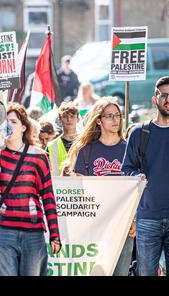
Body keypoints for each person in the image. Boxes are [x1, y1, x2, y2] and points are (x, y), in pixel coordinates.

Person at [0, 103, 61, 276]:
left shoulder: (39, 156)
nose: (8, 125)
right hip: (3, 230)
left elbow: (47, 196)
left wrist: (54, 233)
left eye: (13, 121)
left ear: (24, 127)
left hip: (32, 233)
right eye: (5, 122)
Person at [63, 97, 133, 276]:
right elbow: (79, 190)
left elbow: (139, 189)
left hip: (122, 224)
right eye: (109, 116)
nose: (115, 119)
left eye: (117, 115)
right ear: (99, 120)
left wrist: (135, 219)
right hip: (95, 225)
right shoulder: (86, 150)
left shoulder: (130, 149)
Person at [122, 76, 169, 276]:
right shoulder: (139, 133)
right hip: (147, 218)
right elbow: (126, 169)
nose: (168, 100)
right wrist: (137, 176)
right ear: (155, 99)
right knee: (145, 272)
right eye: (163, 95)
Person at [47, 102, 79, 176]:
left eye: (72, 116)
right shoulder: (51, 146)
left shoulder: (86, 142)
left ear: (78, 119)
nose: (69, 119)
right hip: (58, 186)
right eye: (65, 116)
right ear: (59, 120)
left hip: (82, 186)